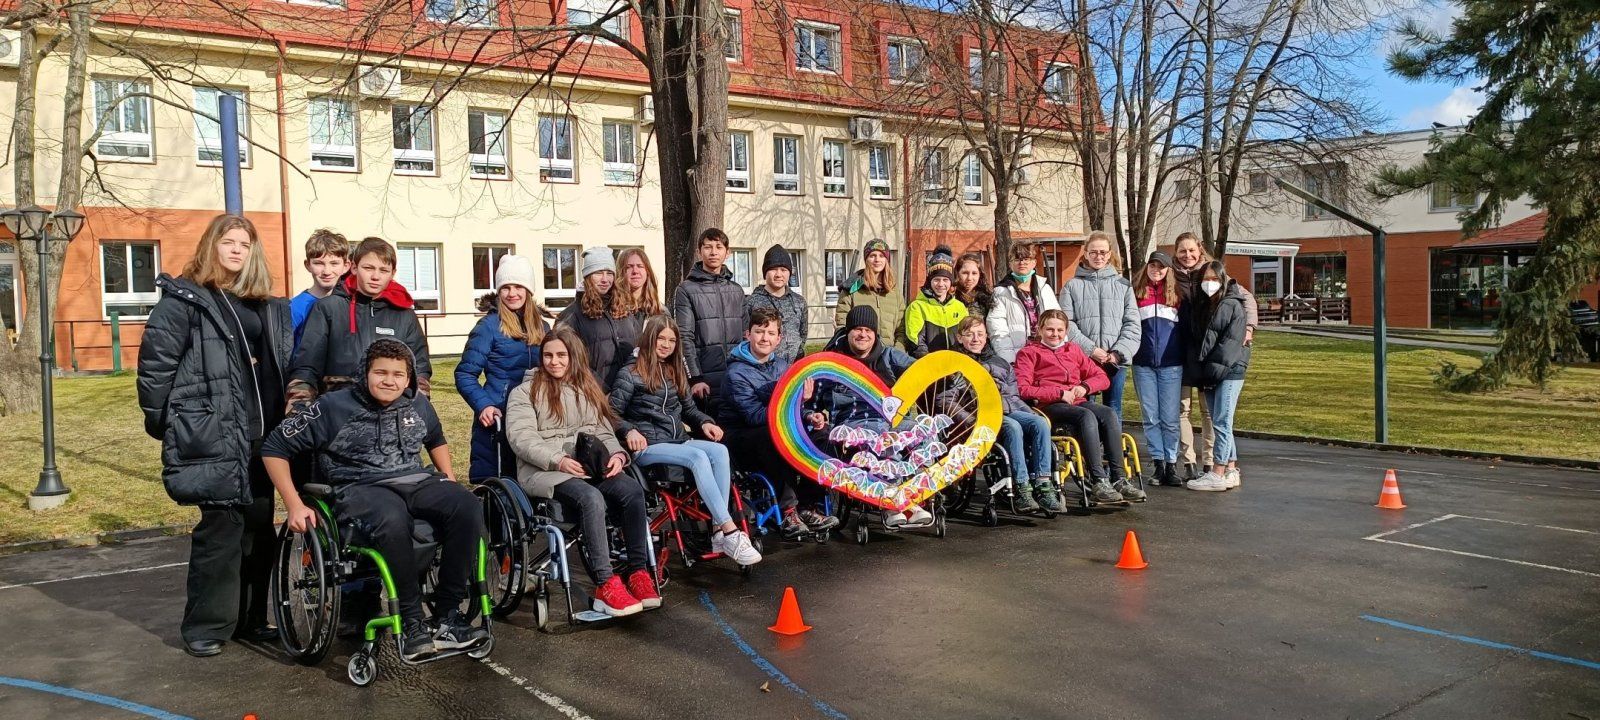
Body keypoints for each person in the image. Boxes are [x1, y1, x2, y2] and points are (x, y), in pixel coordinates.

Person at [262, 339, 488, 661]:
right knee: (392, 518)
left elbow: (435, 437)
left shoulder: (417, 403)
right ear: (364, 372)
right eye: (381, 372)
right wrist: (294, 504)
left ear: (408, 379)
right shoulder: (332, 407)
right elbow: (274, 448)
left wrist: (448, 477)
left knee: (466, 505)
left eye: (398, 374)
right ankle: (411, 621)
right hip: (358, 484)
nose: (389, 381)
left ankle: (447, 616)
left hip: (413, 478)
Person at [137, 214, 291, 658]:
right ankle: (205, 627)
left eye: (245, 243)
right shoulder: (185, 301)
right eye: (229, 242)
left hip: (263, 435)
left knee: (259, 530)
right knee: (221, 530)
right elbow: (155, 369)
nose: (237, 250)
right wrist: (167, 423)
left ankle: (250, 619)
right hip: (214, 432)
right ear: (211, 246)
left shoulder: (262, 303)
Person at [505, 327, 658, 616]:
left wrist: (616, 455)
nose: (554, 361)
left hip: (587, 466)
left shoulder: (585, 389)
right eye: (548, 355)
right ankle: (605, 584)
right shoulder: (523, 393)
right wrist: (558, 460)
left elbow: (603, 429)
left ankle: (638, 572)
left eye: (561, 355)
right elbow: (521, 439)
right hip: (544, 471)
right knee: (591, 498)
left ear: (573, 356)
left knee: (631, 490)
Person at [609, 315, 763, 566]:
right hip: (647, 446)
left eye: (671, 340)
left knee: (719, 451)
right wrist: (628, 431)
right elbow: (610, 413)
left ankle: (717, 533)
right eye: (661, 339)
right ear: (649, 339)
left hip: (677, 441)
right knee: (697, 456)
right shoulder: (630, 373)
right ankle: (730, 530)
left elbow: (689, 410)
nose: (666, 345)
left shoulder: (674, 370)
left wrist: (705, 422)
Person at [721, 307, 839, 538]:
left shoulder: (783, 366)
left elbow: (792, 407)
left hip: (777, 427)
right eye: (759, 332)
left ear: (779, 339)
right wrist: (792, 402)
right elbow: (755, 416)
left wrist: (808, 414)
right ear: (748, 334)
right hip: (743, 438)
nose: (764, 338)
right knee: (775, 437)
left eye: (771, 333)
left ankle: (808, 505)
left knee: (823, 434)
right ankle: (787, 511)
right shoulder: (736, 373)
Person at [816, 305, 932, 527]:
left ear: (875, 333)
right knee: (884, 436)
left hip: (890, 419)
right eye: (857, 329)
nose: (863, 334)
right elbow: (813, 400)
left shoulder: (889, 356)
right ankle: (893, 503)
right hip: (853, 422)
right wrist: (812, 413)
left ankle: (913, 495)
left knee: (922, 430)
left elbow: (921, 370)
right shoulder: (832, 362)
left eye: (868, 330)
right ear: (848, 332)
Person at [1014, 310, 1146, 503]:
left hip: (1077, 402)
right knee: (1086, 416)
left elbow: (1102, 377)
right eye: (1050, 329)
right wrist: (1059, 393)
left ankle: (1119, 478)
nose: (1055, 334)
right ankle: (1099, 480)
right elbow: (1023, 389)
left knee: (1108, 413)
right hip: (1048, 406)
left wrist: (1085, 387)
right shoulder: (1029, 353)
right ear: (1040, 329)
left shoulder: (1073, 350)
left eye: (1060, 330)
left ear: (1066, 331)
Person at [288, 236, 430, 405]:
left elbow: (420, 369)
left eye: (383, 270)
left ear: (393, 273)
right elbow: (306, 367)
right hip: (337, 409)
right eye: (368, 268)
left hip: (390, 412)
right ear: (354, 268)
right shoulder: (328, 308)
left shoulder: (405, 315)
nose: (375, 276)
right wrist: (299, 410)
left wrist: (419, 408)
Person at [946, 316, 1058, 512]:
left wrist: (1029, 413)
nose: (975, 339)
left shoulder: (1000, 362)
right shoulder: (953, 365)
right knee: (1013, 427)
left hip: (1008, 409)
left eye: (980, 334)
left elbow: (1013, 396)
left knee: (1039, 423)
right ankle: (1022, 487)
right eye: (969, 334)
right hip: (980, 416)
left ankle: (1043, 485)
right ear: (959, 337)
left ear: (986, 337)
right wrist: (971, 420)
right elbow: (946, 400)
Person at [1170, 232, 1258, 481]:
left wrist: (1248, 328)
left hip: (1214, 352)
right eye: (1182, 251)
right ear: (1175, 253)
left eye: (1191, 250)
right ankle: (1191, 462)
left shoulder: (1214, 272)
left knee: (1213, 413)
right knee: (1183, 410)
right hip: (1187, 350)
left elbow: (1245, 299)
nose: (1187, 255)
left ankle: (1213, 464)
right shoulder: (1170, 275)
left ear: (1199, 250)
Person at [456, 254, 548, 481]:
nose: (512, 293)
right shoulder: (488, 326)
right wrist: (484, 405)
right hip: (499, 414)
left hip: (534, 415)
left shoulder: (543, 327)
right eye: (505, 287)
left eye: (518, 286)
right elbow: (465, 373)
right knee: (500, 479)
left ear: (529, 290)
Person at [1184, 262, 1251, 492]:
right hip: (1212, 372)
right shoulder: (1204, 305)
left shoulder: (1231, 304)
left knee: (1222, 421)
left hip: (1229, 371)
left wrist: (1211, 372)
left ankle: (1218, 471)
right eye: (1206, 279)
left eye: (1214, 279)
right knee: (1219, 421)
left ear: (1223, 280)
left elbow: (1229, 346)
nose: (1209, 283)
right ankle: (1231, 468)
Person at [1058, 231, 1141, 418]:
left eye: (1103, 252)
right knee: (1086, 409)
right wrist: (1091, 350)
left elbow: (1132, 324)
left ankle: (1113, 439)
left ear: (1109, 254)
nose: (1098, 256)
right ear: (1086, 254)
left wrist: (1117, 354)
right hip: (1085, 360)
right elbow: (1067, 324)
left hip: (1115, 361)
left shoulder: (1123, 286)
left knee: (1113, 408)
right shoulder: (1071, 286)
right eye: (1093, 252)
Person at [672, 228, 747, 414]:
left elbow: (746, 337)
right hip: (704, 384)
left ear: (727, 253)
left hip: (736, 379)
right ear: (699, 251)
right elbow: (683, 336)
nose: (713, 252)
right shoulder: (686, 290)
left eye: (718, 247)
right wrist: (695, 378)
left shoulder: (737, 291)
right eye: (708, 247)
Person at [1132, 251, 1186, 487]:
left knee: (1170, 418)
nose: (1157, 270)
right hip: (1143, 364)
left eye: (1161, 267)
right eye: (1153, 266)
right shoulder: (1136, 293)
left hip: (1171, 364)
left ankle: (1171, 463)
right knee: (1151, 416)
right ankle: (1158, 463)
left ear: (1168, 270)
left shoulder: (1177, 295)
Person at [556, 246, 641, 390]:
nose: (605, 279)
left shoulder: (624, 311)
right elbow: (571, 362)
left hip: (628, 394)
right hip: (593, 395)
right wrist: (603, 392)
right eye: (598, 273)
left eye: (609, 273)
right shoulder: (570, 317)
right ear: (587, 276)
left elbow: (640, 349)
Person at [988, 239, 1060, 362]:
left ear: (1034, 262)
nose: (1022, 263)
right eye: (1017, 259)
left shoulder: (1045, 289)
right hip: (1019, 357)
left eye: (1026, 258)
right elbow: (998, 331)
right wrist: (1010, 361)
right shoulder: (1001, 292)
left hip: (1047, 355)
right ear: (1010, 264)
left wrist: (1059, 352)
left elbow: (1058, 322)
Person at [833, 238, 906, 347]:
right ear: (866, 259)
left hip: (889, 353)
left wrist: (897, 351)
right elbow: (842, 327)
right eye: (872, 256)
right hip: (860, 353)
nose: (877, 260)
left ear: (886, 260)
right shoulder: (851, 290)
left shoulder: (894, 292)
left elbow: (901, 330)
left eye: (881, 256)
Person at [744, 244, 807, 363]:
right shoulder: (751, 302)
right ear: (765, 273)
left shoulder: (799, 302)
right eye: (773, 269)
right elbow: (745, 337)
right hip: (763, 368)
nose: (778, 274)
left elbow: (803, 334)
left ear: (789, 273)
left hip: (794, 367)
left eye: (783, 270)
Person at [289, 228, 349, 350]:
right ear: (308, 265)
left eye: (334, 263)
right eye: (319, 263)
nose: (327, 271)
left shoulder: (352, 305)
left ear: (346, 266)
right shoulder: (295, 307)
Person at [903, 244, 968, 357]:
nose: (941, 284)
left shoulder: (960, 307)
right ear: (930, 281)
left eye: (945, 280)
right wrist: (932, 362)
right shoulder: (917, 307)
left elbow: (966, 337)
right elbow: (916, 342)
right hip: (929, 363)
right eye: (936, 280)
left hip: (956, 363)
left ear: (951, 282)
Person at [616, 247, 663, 319]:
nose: (635, 271)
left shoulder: (660, 311)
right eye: (629, 267)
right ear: (621, 272)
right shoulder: (612, 310)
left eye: (640, 266)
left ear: (647, 271)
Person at [953, 252, 994, 321]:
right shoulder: (951, 298)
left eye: (974, 273)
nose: (969, 278)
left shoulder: (987, 299)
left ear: (980, 275)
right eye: (965, 273)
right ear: (957, 273)